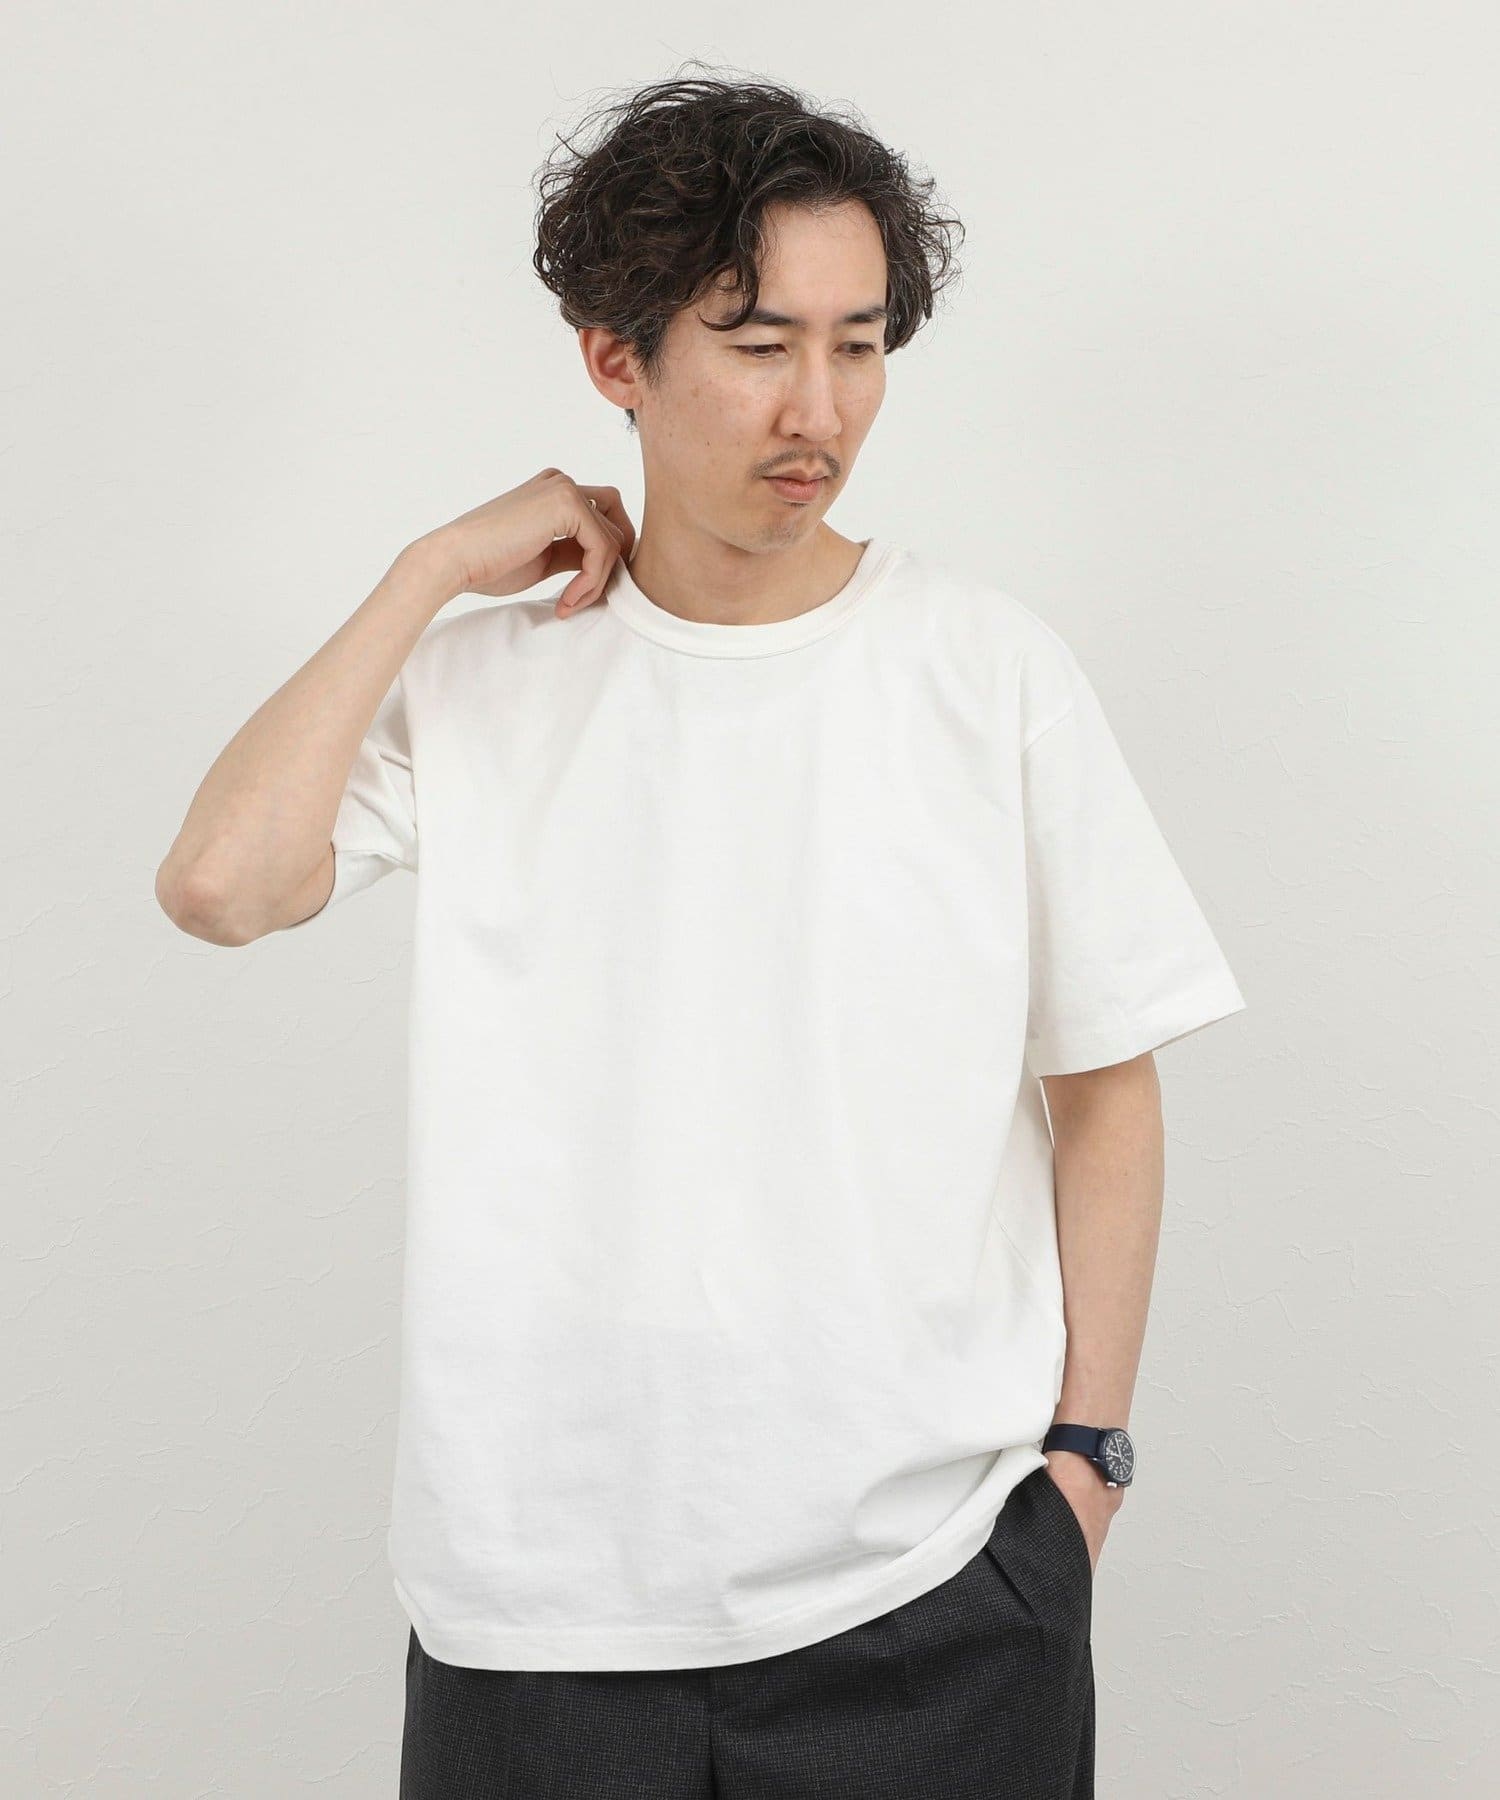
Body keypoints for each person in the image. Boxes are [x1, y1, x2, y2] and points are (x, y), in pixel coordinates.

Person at [156, 67, 1246, 1800]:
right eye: (758, 344)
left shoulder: (986, 672)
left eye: (859, 344)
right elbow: (221, 885)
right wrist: (428, 570)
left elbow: (1106, 1077)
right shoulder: (487, 684)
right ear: (616, 358)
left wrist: (1084, 1466)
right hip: (537, 1615)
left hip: (936, 1598)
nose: (819, 407)